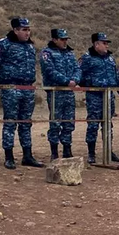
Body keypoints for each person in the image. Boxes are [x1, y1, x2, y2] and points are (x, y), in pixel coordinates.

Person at [0, 17, 43, 170]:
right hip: (11, 88)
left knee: (26, 122)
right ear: (15, 30)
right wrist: (2, 81)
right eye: (24, 30)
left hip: (27, 88)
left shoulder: (30, 47)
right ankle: (9, 156)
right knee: (10, 122)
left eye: (28, 29)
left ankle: (27, 155)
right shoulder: (3, 45)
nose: (27, 33)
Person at [79, 32, 119, 164]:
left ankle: (108, 150)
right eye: (104, 43)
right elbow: (80, 75)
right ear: (96, 44)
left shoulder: (110, 58)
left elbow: (114, 75)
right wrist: (91, 83)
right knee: (93, 124)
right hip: (94, 96)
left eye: (107, 43)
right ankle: (91, 153)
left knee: (108, 124)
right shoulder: (87, 58)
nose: (106, 45)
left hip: (109, 95)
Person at [40, 29, 81, 160]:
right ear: (54, 39)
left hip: (69, 93)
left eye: (66, 39)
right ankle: (54, 151)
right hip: (55, 92)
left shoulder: (69, 53)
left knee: (69, 122)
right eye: (62, 39)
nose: (64, 42)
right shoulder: (47, 53)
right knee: (55, 123)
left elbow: (77, 69)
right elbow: (50, 71)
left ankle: (67, 149)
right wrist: (66, 81)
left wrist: (75, 80)